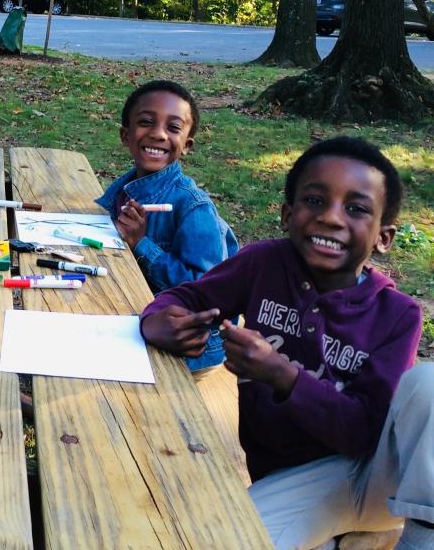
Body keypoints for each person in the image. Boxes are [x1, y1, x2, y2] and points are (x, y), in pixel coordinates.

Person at [140, 136, 433, 550]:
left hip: (380, 477)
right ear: (287, 214)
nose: (331, 218)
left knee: (430, 385)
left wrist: (283, 375)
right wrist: (158, 320)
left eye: (356, 208)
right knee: (227, 540)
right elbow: (187, 297)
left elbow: (366, 433)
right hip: (292, 482)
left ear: (383, 237)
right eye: (315, 201)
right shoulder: (263, 264)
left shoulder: (397, 314)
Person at [95, 80, 237, 371]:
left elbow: (208, 292)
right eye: (146, 122)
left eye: (173, 128)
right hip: (139, 310)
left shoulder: (194, 207)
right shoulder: (127, 187)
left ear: (186, 145)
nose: (158, 134)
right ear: (126, 135)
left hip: (189, 345)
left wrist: (141, 243)